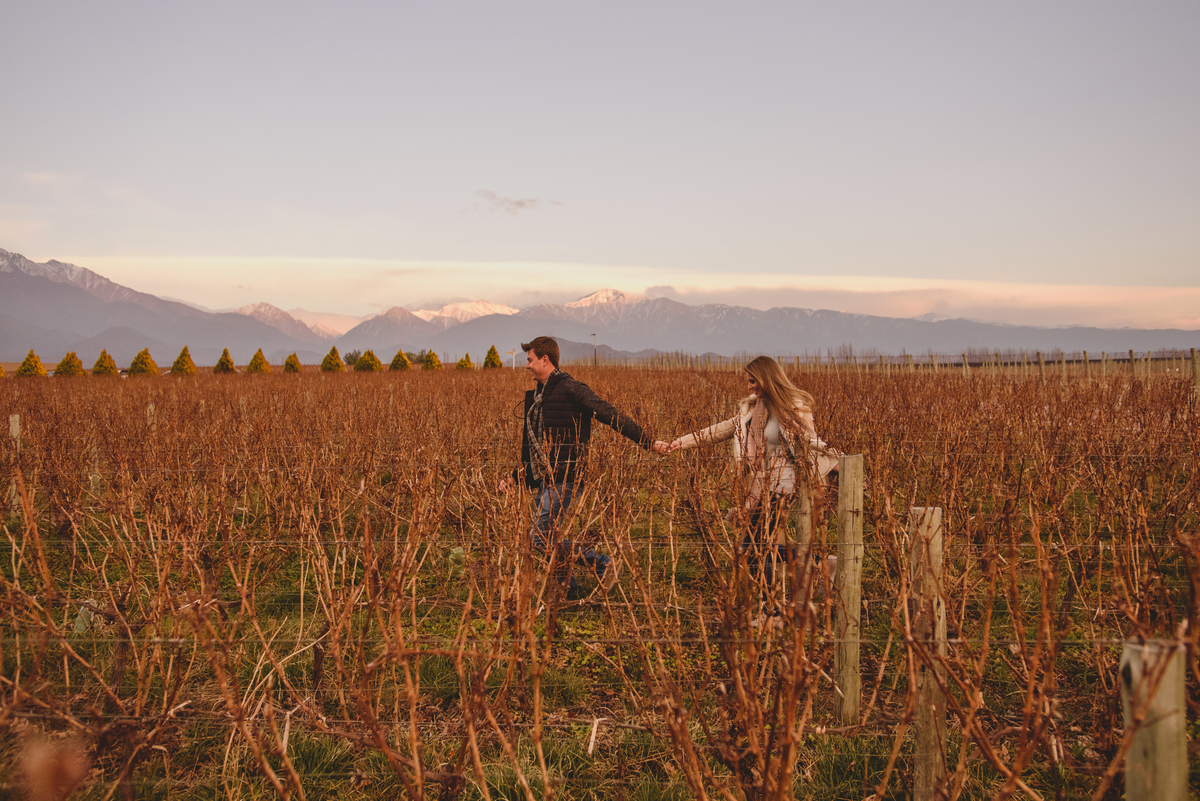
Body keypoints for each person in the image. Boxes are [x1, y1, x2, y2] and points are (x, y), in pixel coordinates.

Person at [499, 336, 672, 596]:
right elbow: (533, 450)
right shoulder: (537, 397)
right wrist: (516, 477)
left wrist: (649, 443)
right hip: (548, 478)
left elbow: (609, 414)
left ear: (545, 360)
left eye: (530, 360)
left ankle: (600, 564)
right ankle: (571, 591)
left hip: (567, 477)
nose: (527, 366)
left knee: (539, 536)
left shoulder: (570, 388)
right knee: (544, 536)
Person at [667, 356, 841, 593]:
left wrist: (838, 460)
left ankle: (773, 610)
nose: (749, 386)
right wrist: (680, 443)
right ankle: (818, 562)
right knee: (757, 547)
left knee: (752, 548)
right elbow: (721, 429)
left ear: (766, 378)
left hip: (784, 485)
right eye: (748, 382)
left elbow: (811, 440)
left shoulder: (793, 407)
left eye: (752, 381)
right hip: (761, 484)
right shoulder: (751, 408)